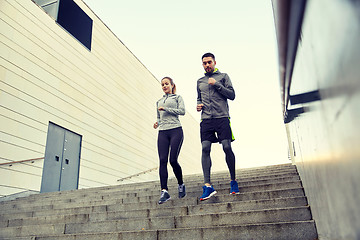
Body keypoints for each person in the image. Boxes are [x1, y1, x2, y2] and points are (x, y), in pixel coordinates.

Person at [196, 52, 239, 201]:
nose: (207, 65)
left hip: (222, 117)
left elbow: (232, 95)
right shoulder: (200, 81)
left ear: (214, 62)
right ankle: (207, 186)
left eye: (209, 62)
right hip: (206, 119)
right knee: (205, 148)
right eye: (204, 63)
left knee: (227, 147)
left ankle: (233, 181)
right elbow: (199, 98)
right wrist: (198, 105)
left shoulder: (223, 77)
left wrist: (217, 85)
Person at [154, 77, 186, 204]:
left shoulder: (177, 98)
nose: (164, 86)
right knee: (162, 160)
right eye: (162, 84)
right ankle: (164, 191)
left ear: (172, 85)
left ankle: (181, 184)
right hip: (163, 132)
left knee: (173, 160)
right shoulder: (158, 101)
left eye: (166, 84)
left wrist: (166, 109)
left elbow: (182, 111)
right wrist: (157, 123)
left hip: (176, 130)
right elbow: (159, 118)